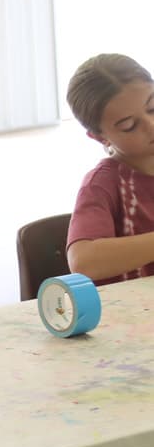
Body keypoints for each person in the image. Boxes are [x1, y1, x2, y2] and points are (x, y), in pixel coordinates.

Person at [66, 53, 154, 283]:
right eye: (129, 125)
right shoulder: (102, 184)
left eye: (152, 108)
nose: (151, 125)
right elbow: (83, 261)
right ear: (99, 137)